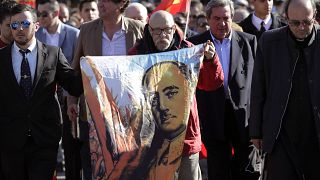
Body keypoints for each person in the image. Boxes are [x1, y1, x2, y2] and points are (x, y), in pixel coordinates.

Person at [128, 10, 223, 180]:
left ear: (174, 29)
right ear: (149, 30)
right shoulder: (136, 54)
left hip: (185, 138)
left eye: (166, 30)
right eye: (157, 30)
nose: (162, 35)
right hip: (151, 142)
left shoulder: (189, 51)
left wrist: (210, 59)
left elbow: (211, 84)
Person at [0, 4, 83, 180]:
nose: (19, 29)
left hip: (45, 139)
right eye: (14, 25)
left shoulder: (53, 54)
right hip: (11, 141)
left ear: (36, 26)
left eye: (25, 23)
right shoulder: (1, 58)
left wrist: (94, 70)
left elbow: (73, 84)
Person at [67, 0, 144, 178]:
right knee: (96, 169)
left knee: (129, 169)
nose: (100, 4)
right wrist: (72, 100)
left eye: (105, 0)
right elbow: (76, 69)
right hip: (95, 115)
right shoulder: (86, 30)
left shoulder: (138, 29)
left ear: (122, 3)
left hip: (130, 115)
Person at [250, 0, 320, 179]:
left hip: (315, 132)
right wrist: (256, 131)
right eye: (295, 23)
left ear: (315, 17)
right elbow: (259, 87)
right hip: (281, 132)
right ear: (286, 18)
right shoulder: (270, 41)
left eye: (307, 22)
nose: (302, 27)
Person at [187, 0, 257, 180]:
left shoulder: (249, 41)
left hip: (242, 117)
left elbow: (257, 82)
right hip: (212, 115)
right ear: (208, 19)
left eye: (226, 18)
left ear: (232, 18)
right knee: (218, 170)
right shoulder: (194, 45)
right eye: (216, 18)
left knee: (246, 171)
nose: (222, 23)